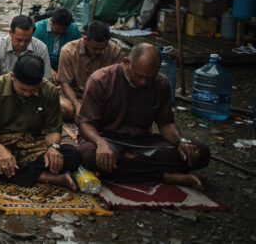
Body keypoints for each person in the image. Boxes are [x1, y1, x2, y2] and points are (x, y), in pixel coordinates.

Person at [77, 44, 210, 190]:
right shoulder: (100, 80)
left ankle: (131, 167)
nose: (143, 82)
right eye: (139, 76)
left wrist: (181, 142)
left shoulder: (161, 83)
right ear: (126, 62)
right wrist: (100, 143)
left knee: (199, 152)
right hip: (106, 138)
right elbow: (85, 123)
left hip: (141, 141)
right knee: (89, 156)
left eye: (150, 77)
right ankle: (164, 175)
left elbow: (166, 123)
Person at [0, 55, 80, 190]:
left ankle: (9, 172)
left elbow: (53, 129)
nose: (27, 94)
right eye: (22, 89)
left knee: (72, 155)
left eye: (33, 90)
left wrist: (53, 147)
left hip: (32, 142)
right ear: (12, 76)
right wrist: (0, 150)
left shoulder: (49, 90)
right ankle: (48, 177)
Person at [57, 21, 123, 121]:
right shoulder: (68, 51)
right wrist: (77, 104)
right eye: (95, 48)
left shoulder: (114, 51)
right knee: (65, 109)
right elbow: (65, 83)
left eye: (102, 48)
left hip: (100, 97)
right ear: (85, 40)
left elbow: (116, 84)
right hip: (74, 95)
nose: (98, 52)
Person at [0, 15, 52, 80]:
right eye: (19, 40)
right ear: (10, 33)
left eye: (27, 40)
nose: (22, 44)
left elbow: (46, 79)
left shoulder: (41, 49)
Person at [32, 8, 81, 74]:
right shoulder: (38, 29)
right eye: (57, 29)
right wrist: (48, 69)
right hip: (41, 62)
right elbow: (33, 55)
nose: (60, 32)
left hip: (64, 62)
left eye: (64, 30)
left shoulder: (74, 30)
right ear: (51, 21)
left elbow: (76, 54)